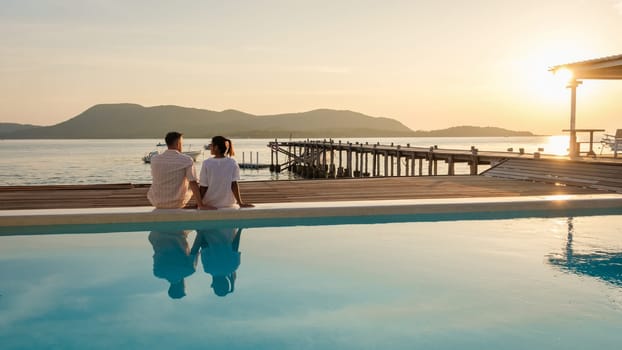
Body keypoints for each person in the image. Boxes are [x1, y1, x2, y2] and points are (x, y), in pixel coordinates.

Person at [147, 131, 209, 209]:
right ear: (178, 143)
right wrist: (201, 205)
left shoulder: (154, 159)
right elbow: (193, 183)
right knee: (193, 181)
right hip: (177, 203)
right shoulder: (186, 160)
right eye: (182, 143)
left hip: (157, 201)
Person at [199, 136, 253, 209]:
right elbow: (234, 184)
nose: (210, 147)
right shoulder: (232, 162)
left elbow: (203, 186)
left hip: (210, 203)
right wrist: (240, 203)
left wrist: (198, 204)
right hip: (228, 203)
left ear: (216, 147)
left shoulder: (207, 163)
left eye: (211, 145)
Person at [191, 227, 243, 297]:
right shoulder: (208, 268)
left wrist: (240, 228)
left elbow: (235, 245)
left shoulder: (233, 266)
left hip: (229, 228)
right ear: (215, 283)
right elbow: (204, 244)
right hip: (210, 230)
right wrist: (198, 229)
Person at [148, 230, 198, 299]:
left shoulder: (189, 270)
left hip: (178, 232)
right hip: (156, 233)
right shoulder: (158, 272)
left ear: (181, 286)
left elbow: (196, 248)